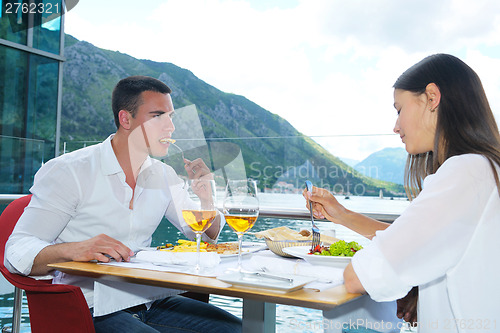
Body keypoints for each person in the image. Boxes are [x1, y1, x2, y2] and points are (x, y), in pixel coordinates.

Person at [5, 76, 242, 332]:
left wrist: (207, 198)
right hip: (88, 305)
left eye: (171, 117)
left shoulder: (164, 176)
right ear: (125, 119)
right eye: (158, 116)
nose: (171, 127)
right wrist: (75, 249)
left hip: (150, 300)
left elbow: (206, 236)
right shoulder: (69, 171)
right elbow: (16, 251)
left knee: (242, 329)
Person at [304, 54, 500, 332]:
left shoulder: (464, 173)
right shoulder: (486, 170)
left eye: (399, 109)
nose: (396, 126)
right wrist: (343, 215)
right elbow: (427, 241)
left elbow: (356, 278)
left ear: (431, 98)